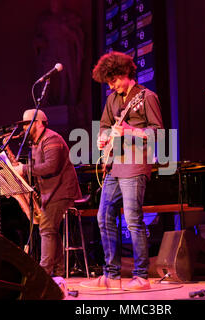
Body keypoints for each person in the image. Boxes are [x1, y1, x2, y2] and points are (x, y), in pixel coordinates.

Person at [81, 51, 164, 291]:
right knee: (102, 216)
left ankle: (141, 276)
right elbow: (104, 128)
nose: (111, 85)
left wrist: (130, 130)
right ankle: (111, 274)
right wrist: (102, 139)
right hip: (114, 165)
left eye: (114, 80)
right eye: (108, 81)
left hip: (136, 164)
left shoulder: (146, 97)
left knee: (132, 219)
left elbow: (158, 133)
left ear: (126, 73)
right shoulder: (112, 100)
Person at [13, 109, 82, 277]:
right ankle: (58, 272)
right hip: (50, 192)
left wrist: (24, 169)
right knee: (49, 229)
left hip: (62, 191)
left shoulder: (51, 138)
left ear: (38, 123)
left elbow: (51, 167)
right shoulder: (36, 142)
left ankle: (43, 273)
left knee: (46, 229)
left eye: (26, 124)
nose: (24, 129)